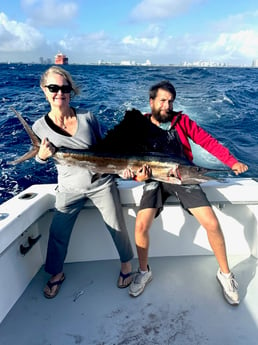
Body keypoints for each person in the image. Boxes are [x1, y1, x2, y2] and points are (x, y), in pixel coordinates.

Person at [127, 80, 248, 305]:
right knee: (141, 224)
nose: (167, 106)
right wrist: (138, 177)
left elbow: (208, 142)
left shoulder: (182, 121)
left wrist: (231, 162)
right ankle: (144, 271)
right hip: (154, 178)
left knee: (211, 223)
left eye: (171, 101)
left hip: (183, 177)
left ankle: (225, 274)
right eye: (162, 101)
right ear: (151, 101)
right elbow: (130, 160)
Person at [32, 66, 134, 298]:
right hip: (70, 188)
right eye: (53, 88)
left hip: (101, 184)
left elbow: (110, 151)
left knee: (117, 226)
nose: (60, 93)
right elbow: (39, 159)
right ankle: (56, 273)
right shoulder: (39, 127)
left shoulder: (87, 117)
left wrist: (124, 170)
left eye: (65, 88)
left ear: (71, 91)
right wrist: (41, 156)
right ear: (44, 90)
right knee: (58, 231)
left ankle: (127, 265)